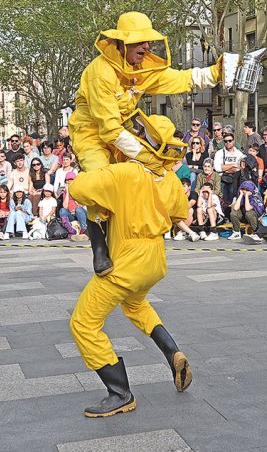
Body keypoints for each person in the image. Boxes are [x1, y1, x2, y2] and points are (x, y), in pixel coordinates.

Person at [67, 12, 224, 276]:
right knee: (100, 181)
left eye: (148, 41)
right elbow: (108, 130)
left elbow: (179, 79)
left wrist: (216, 72)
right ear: (121, 44)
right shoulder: (99, 72)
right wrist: (145, 155)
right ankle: (98, 247)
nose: (147, 47)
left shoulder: (142, 68)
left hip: (125, 131)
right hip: (91, 134)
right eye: (140, 42)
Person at [66, 113, 191, 418]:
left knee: (83, 323)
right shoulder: (169, 177)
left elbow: (78, 189)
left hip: (127, 259)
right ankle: (172, 352)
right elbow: (180, 214)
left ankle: (120, 393)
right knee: (135, 306)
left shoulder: (124, 174)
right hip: (155, 258)